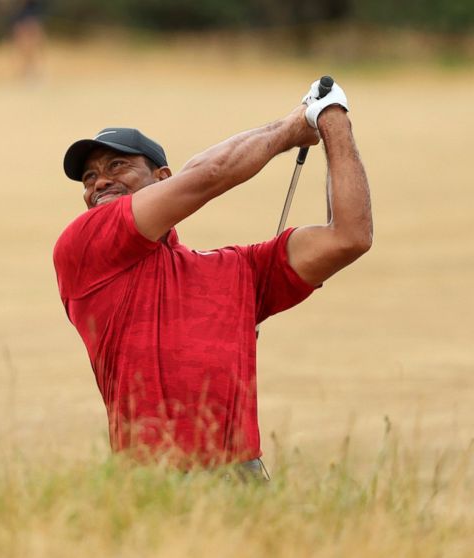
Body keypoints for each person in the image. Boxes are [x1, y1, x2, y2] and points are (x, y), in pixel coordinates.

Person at [52, 81, 371, 477]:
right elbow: (210, 175)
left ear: (163, 177)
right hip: (152, 481)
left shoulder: (237, 269)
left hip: (243, 477)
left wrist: (333, 120)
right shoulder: (84, 247)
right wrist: (293, 127)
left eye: (117, 166)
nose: (98, 182)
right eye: (88, 177)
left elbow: (350, 237)